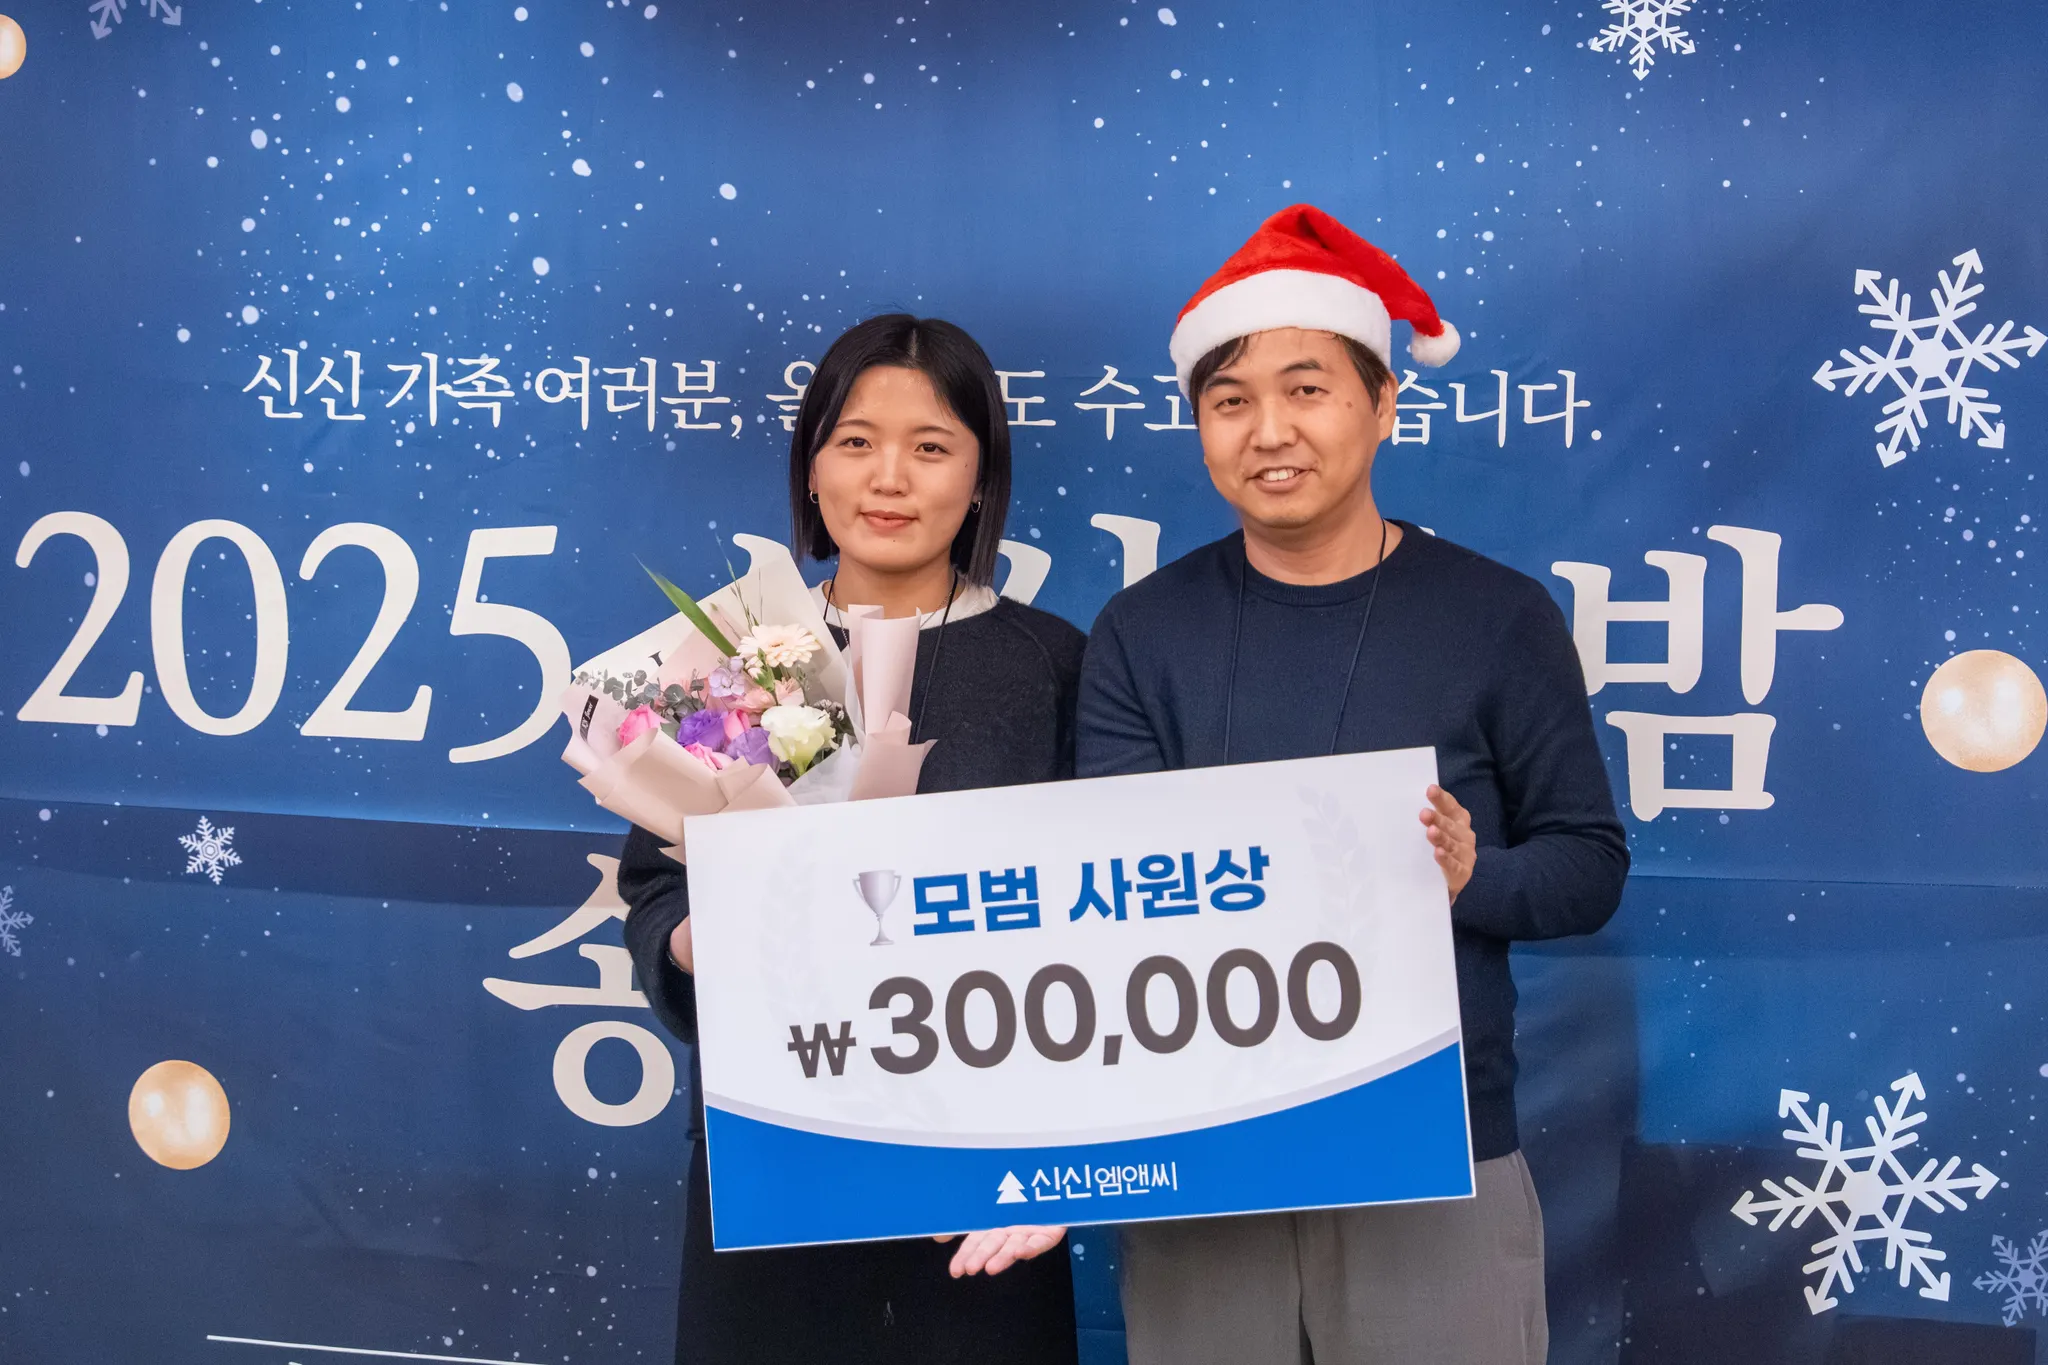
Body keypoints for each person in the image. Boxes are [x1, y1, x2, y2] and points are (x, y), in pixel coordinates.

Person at [1077, 205, 1630, 1364]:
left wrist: (1470, 877)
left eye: (1307, 390)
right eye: (1230, 401)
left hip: (1433, 1147)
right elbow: (1112, 888)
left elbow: (1586, 867)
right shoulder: (1140, 631)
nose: (1269, 431)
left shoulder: (1496, 616)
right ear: (1198, 426)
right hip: (1204, 1146)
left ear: (1382, 403)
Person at [617, 314, 1082, 1365]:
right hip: (776, 1143)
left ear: (981, 477)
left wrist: (1063, 1155)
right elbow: (653, 890)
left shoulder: (1054, 662)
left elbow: (1100, 917)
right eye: (855, 441)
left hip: (986, 1175)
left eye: (931, 446)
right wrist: (694, 937)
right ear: (811, 467)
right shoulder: (732, 656)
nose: (889, 478)